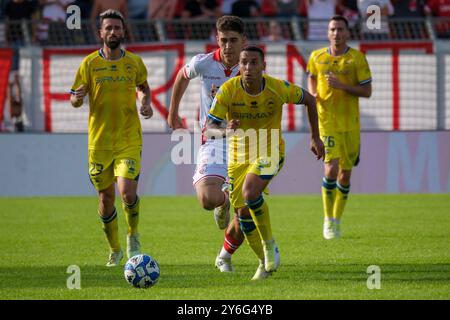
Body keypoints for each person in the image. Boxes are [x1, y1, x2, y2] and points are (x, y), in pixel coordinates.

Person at [207, 45, 324, 279]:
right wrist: (224, 130)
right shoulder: (228, 90)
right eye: (244, 63)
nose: (248, 67)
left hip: (270, 151)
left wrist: (315, 136)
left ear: (263, 67)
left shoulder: (277, 88)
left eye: (253, 62)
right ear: (238, 66)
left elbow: (310, 100)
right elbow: (210, 128)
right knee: (242, 217)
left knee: (250, 194)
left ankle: (270, 245)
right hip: (238, 158)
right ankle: (263, 262)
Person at [70, 9, 153, 266]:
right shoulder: (89, 64)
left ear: (123, 31)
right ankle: (114, 248)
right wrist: (78, 97)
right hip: (99, 143)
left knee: (127, 193)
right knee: (105, 199)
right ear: (100, 33)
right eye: (108, 28)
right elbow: (73, 97)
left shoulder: (134, 63)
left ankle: (133, 235)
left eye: (117, 28)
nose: (113, 32)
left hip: (128, 138)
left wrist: (145, 103)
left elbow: (143, 88)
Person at [168, 16, 246, 273]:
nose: (228, 47)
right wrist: (172, 112)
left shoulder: (251, 67)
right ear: (217, 40)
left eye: (233, 41)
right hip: (213, 139)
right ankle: (223, 200)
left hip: (246, 143)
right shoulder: (203, 63)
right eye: (223, 41)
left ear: (243, 41)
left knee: (246, 213)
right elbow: (181, 76)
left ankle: (225, 256)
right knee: (207, 200)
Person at [306, 15, 372, 240]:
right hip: (327, 122)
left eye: (340, 29)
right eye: (333, 29)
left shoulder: (357, 59)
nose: (336, 33)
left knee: (345, 174)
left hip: (350, 124)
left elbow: (367, 92)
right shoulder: (316, 56)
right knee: (331, 169)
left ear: (347, 33)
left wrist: (342, 86)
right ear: (328, 33)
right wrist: (314, 94)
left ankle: (337, 219)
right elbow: (311, 77)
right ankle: (327, 220)